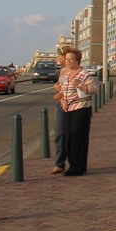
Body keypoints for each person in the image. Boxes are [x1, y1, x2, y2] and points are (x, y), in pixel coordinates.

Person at [54, 49, 99, 177]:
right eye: (67, 59)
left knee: (78, 137)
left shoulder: (83, 74)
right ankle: (72, 164)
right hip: (67, 108)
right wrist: (61, 98)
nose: (68, 61)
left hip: (81, 108)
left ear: (77, 60)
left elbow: (94, 89)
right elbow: (61, 86)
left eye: (71, 59)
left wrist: (80, 85)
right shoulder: (64, 72)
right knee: (68, 136)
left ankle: (78, 167)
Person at [49, 45, 72, 175]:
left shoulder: (71, 70)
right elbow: (61, 86)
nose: (57, 58)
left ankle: (62, 163)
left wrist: (61, 96)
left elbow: (65, 89)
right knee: (59, 133)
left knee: (63, 133)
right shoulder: (63, 71)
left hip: (69, 105)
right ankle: (60, 162)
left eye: (58, 55)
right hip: (62, 103)